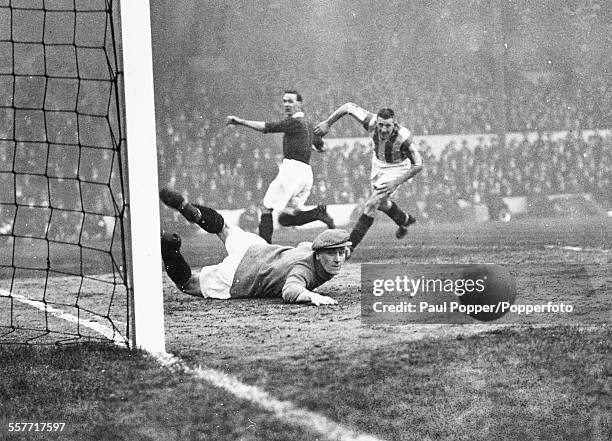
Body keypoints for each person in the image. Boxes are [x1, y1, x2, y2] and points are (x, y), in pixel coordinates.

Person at [159, 188, 349, 306]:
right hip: (242, 274)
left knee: (223, 227)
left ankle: (194, 211)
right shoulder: (304, 271)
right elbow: (290, 290)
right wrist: (310, 296)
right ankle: (170, 246)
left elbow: (306, 246)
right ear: (318, 254)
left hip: (256, 247)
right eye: (332, 253)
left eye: (341, 252)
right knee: (188, 284)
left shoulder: (308, 247)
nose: (338, 259)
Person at [226, 90, 335, 244]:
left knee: (266, 208)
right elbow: (322, 147)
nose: (286, 105)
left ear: (300, 104)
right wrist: (311, 146)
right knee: (285, 219)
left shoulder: (294, 122)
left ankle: (265, 250)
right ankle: (317, 213)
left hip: (292, 170)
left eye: (290, 101)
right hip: (306, 173)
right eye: (284, 101)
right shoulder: (308, 124)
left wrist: (240, 121)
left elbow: (266, 127)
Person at [315, 103, 423, 251]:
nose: (383, 129)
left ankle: (349, 248)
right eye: (381, 125)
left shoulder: (404, 138)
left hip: (397, 168)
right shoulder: (371, 122)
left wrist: (395, 182)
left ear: (394, 124)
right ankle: (404, 219)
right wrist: (327, 123)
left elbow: (418, 165)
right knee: (382, 203)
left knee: (371, 204)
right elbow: (348, 107)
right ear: (376, 122)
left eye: (388, 126)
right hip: (378, 164)